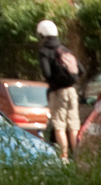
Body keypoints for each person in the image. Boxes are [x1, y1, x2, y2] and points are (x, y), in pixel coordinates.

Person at [36, 19, 84, 161]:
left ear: (42, 35)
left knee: (59, 126)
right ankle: (78, 158)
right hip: (72, 91)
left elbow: (47, 73)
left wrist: (55, 82)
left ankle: (64, 158)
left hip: (58, 93)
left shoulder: (44, 52)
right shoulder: (65, 50)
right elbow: (81, 70)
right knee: (73, 125)